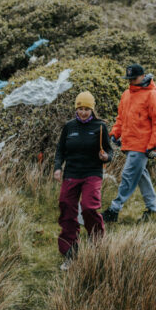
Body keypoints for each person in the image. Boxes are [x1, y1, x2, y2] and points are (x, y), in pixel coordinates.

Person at [102, 63, 156, 223]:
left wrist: (154, 145)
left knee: (128, 176)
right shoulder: (126, 95)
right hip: (129, 144)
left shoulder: (152, 95)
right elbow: (121, 118)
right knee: (141, 175)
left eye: (134, 78)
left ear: (143, 76)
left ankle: (114, 210)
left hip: (142, 146)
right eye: (129, 79)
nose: (131, 82)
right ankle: (153, 209)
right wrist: (115, 133)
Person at [53, 91, 111, 270]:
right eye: (80, 108)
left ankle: (98, 244)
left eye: (87, 109)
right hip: (71, 173)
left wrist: (105, 157)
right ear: (76, 109)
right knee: (66, 209)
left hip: (92, 173)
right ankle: (70, 253)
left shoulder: (100, 127)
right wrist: (57, 167)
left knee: (88, 207)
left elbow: (110, 152)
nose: (83, 112)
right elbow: (60, 150)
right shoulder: (69, 127)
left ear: (92, 109)